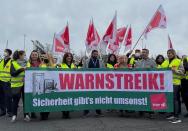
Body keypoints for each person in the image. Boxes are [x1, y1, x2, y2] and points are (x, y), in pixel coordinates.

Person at [161, 49, 184, 123]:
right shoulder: (165, 62)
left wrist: (175, 71)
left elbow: (182, 72)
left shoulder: (178, 61)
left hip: (175, 83)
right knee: (170, 99)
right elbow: (159, 70)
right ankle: (172, 114)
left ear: (174, 54)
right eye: (168, 53)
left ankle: (177, 117)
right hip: (167, 84)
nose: (169, 54)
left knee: (175, 99)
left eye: (170, 53)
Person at [135, 49, 156, 118]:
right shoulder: (138, 62)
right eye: (142, 52)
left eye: (144, 52)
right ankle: (141, 111)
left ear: (148, 53)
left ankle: (151, 112)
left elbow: (156, 72)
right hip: (140, 83)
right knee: (141, 97)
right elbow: (135, 72)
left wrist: (150, 69)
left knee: (150, 98)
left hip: (149, 83)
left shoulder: (152, 62)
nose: (143, 53)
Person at [10, 50, 31, 122]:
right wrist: (22, 69)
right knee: (15, 101)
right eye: (24, 55)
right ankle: (14, 115)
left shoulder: (28, 63)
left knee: (26, 100)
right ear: (20, 55)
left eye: (25, 55)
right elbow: (13, 73)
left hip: (26, 84)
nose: (25, 56)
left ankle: (26, 115)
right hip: (16, 84)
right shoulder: (13, 63)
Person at [83, 50, 104, 117]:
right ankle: (86, 112)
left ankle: (98, 112)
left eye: (96, 54)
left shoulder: (100, 61)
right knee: (88, 96)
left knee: (97, 96)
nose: (95, 55)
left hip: (98, 81)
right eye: (94, 54)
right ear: (92, 54)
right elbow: (83, 70)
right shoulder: (87, 61)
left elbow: (104, 70)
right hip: (88, 81)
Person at [60, 52, 76, 119]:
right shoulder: (61, 65)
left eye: (70, 56)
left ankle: (68, 113)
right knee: (64, 98)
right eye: (67, 56)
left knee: (70, 98)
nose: (69, 57)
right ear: (65, 57)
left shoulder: (74, 65)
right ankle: (64, 113)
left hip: (72, 84)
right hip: (64, 84)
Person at [28, 50, 41, 119]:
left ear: (38, 56)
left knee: (37, 97)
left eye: (35, 54)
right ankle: (31, 112)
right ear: (30, 55)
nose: (34, 56)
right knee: (31, 98)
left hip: (39, 83)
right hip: (29, 83)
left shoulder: (41, 63)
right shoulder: (28, 63)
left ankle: (36, 111)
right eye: (33, 54)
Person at [0, 49, 12, 117]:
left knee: (8, 97)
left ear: (9, 54)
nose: (4, 53)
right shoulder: (1, 61)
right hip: (0, 81)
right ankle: (3, 110)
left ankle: (10, 111)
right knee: (1, 97)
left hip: (7, 82)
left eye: (6, 52)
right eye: (4, 52)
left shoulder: (12, 61)